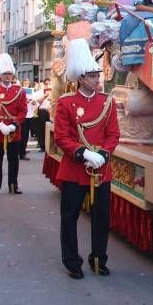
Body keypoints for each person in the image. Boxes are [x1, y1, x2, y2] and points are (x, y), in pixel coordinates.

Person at [55, 38, 120, 279]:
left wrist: (102, 155)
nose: (98, 79)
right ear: (81, 77)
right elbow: (61, 136)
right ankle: (72, 261)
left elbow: (114, 134)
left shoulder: (107, 102)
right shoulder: (66, 103)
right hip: (74, 169)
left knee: (102, 217)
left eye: (98, 75)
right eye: (93, 76)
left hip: (101, 169)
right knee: (69, 217)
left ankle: (99, 259)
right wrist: (84, 153)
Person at [0, 54, 27, 196]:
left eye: (10, 74)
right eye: (5, 74)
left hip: (14, 131)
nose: (8, 77)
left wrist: (15, 124)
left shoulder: (19, 91)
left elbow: (23, 110)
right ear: (0, 76)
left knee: (13, 160)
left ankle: (13, 185)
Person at [18, 78, 36, 160]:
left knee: (26, 135)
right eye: (25, 82)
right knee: (23, 134)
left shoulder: (32, 92)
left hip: (30, 114)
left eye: (28, 83)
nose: (26, 84)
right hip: (23, 115)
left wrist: (33, 102)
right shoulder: (21, 91)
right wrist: (26, 100)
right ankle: (21, 152)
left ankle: (23, 150)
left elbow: (35, 102)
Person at [35, 78, 52, 152]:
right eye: (46, 84)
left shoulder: (53, 91)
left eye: (49, 83)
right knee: (42, 130)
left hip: (51, 112)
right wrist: (45, 95)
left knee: (50, 130)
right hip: (42, 111)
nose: (47, 85)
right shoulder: (40, 92)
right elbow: (37, 102)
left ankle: (50, 146)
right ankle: (42, 146)